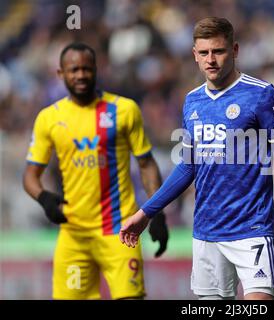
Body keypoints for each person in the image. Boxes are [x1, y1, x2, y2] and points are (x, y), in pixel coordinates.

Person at [119, 17, 274, 301]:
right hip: (206, 232)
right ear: (194, 55)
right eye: (204, 53)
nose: (211, 60)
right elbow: (187, 167)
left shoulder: (262, 95)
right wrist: (145, 213)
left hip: (252, 229)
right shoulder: (192, 101)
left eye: (218, 51)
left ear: (234, 50)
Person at [23, 42, 169, 300]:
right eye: (74, 69)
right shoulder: (49, 118)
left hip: (120, 231)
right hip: (74, 234)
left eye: (86, 69)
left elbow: (146, 164)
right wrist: (44, 198)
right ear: (61, 74)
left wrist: (157, 214)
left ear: (96, 70)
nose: (80, 75)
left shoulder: (124, 110)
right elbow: (30, 175)